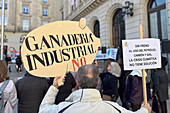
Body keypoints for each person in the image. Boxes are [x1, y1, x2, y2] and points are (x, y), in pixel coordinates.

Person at [39, 64, 151, 113]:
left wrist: (54, 87)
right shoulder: (113, 108)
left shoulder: (63, 109)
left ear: (77, 82)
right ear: (98, 82)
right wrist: (145, 110)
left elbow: (43, 109)